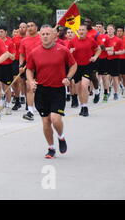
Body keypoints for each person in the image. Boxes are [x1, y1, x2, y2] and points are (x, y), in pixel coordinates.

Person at [26, 25, 77, 159]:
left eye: (48, 34)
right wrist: (31, 81)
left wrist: (68, 77)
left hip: (57, 89)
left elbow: (73, 65)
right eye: (43, 34)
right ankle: (51, 148)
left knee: (55, 119)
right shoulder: (34, 52)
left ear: (54, 36)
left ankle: (61, 136)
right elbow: (29, 69)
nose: (45, 36)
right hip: (42, 91)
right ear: (39, 36)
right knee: (46, 121)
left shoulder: (63, 50)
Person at [68, 24, 101, 116]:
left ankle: (85, 107)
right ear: (77, 31)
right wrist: (70, 52)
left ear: (86, 31)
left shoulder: (91, 40)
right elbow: (67, 53)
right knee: (78, 88)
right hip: (76, 67)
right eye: (79, 30)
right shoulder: (73, 41)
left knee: (84, 85)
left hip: (87, 65)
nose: (81, 31)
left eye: (83, 30)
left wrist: (95, 56)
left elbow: (98, 49)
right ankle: (82, 106)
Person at [19, 21, 42, 121]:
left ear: (36, 27)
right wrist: (20, 65)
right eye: (28, 26)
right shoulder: (24, 41)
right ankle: (30, 111)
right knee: (29, 86)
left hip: (42, 66)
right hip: (29, 66)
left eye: (32, 26)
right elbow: (22, 54)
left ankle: (42, 105)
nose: (30, 28)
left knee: (41, 88)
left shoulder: (42, 38)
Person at [0, 26, 16, 114]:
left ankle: (8, 104)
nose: (0, 33)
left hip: (7, 67)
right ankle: (0, 104)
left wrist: (8, 54)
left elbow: (13, 57)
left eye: (2, 32)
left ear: (6, 32)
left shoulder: (10, 43)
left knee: (6, 87)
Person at [11, 22, 27, 110]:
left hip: (27, 61)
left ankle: (28, 101)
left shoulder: (29, 38)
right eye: (20, 27)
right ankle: (17, 100)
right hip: (16, 61)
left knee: (25, 82)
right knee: (16, 81)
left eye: (24, 27)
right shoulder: (15, 39)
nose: (22, 29)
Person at [84, 18, 101, 103]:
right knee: (84, 77)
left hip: (93, 57)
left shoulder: (95, 33)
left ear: (91, 23)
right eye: (85, 22)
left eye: (88, 22)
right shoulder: (82, 31)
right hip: (83, 58)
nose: (86, 23)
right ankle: (86, 93)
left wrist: (95, 56)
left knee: (93, 76)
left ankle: (97, 92)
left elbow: (99, 47)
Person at [106, 24, 124, 100]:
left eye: (111, 29)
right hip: (105, 59)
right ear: (106, 30)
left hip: (115, 60)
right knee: (106, 77)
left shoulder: (118, 40)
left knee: (115, 77)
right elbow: (100, 48)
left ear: (114, 30)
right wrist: (108, 49)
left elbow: (123, 51)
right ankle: (106, 92)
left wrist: (114, 53)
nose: (109, 30)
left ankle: (115, 93)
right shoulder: (104, 39)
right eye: (108, 29)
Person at [95, 22, 112, 102]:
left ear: (102, 28)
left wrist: (103, 49)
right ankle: (97, 93)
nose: (98, 28)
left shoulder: (106, 37)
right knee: (96, 77)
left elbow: (111, 48)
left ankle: (106, 93)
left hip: (104, 59)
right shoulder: (93, 36)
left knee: (105, 78)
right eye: (97, 26)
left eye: (99, 27)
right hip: (96, 59)